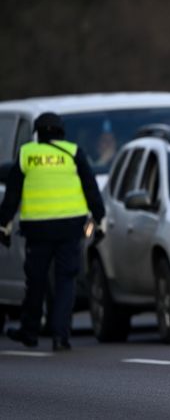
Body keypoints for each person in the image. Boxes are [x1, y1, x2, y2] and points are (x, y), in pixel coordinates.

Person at [0, 112, 105, 351]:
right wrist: (100, 218)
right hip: (70, 228)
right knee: (65, 281)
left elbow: (12, 194)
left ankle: (30, 331)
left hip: (37, 230)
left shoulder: (28, 154)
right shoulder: (73, 152)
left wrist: (3, 223)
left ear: (38, 132)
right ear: (61, 131)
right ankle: (61, 336)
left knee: (36, 281)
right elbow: (91, 187)